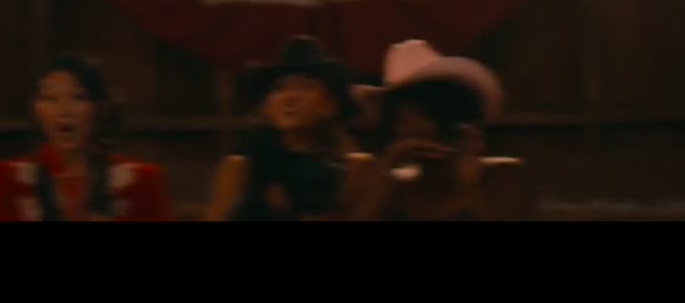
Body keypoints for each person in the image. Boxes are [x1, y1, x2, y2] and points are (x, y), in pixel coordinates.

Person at [0, 53, 172, 221]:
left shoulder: (141, 182)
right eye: (50, 98)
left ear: (100, 108)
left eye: (78, 97)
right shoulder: (7, 180)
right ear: (35, 111)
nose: (64, 111)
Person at [349, 39, 530, 220]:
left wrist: (466, 188)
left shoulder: (497, 176)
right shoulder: (367, 173)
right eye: (426, 112)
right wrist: (384, 182)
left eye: (444, 112)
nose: (436, 125)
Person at [204, 35, 369, 221]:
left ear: (330, 105)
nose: (290, 98)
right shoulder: (241, 169)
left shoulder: (354, 168)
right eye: (279, 88)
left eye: (305, 87)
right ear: (266, 107)